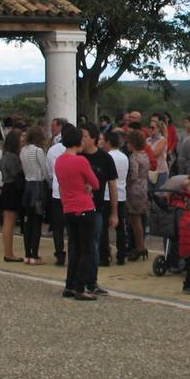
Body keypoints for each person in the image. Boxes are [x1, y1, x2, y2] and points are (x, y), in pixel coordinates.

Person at [54, 125, 99, 300]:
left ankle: (70, 285)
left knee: (74, 248)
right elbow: (95, 183)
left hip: (68, 207)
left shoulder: (60, 160)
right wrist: (86, 185)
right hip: (84, 206)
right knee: (86, 249)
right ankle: (81, 287)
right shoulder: (81, 161)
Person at [82, 122, 116, 295]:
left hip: (97, 208)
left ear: (94, 138)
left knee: (93, 245)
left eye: (85, 136)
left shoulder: (105, 158)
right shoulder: (78, 156)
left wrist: (115, 212)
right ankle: (78, 280)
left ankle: (92, 281)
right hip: (78, 208)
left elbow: (112, 186)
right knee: (78, 245)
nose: (82, 139)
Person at [19, 125, 50, 265]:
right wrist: (50, 184)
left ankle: (27, 254)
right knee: (37, 221)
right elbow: (44, 170)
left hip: (27, 186)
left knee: (28, 222)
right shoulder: (38, 151)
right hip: (38, 186)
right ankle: (35, 254)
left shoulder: (23, 151)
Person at [0, 129, 24, 261]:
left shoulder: (5, 156)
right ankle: (8, 253)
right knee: (9, 222)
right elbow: (17, 175)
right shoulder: (13, 158)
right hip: (13, 189)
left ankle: (8, 252)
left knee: (7, 221)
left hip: (6, 187)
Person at [126, 128, 151, 261]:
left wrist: (127, 184)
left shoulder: (134, 157)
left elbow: (133, 175)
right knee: (140, 219)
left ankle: (139, 247)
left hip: (134, 190)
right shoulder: (145, 155)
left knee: (135, 221)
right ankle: (140, 246)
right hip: (144, 188)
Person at [104, 129, 130, 264]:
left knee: (104, 227)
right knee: (120, 227)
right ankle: (122, 254)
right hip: (121, 194)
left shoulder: (107, 157)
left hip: (107, 195)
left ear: (108, 142)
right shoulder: (124, 157)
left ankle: (105, 254)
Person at [45, 118, 68, 265]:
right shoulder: (78, 151)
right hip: (73, 193)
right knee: (73, 226)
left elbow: (48, 173)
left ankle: (59, 254)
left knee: (58, 227)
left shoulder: (52, 150)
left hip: (56, 192)